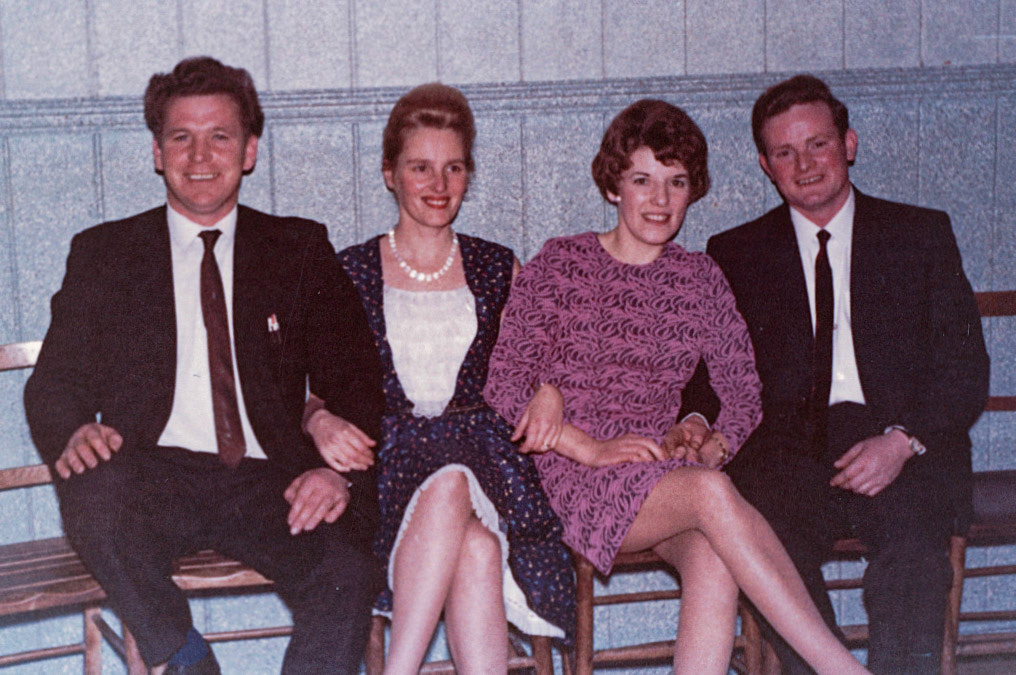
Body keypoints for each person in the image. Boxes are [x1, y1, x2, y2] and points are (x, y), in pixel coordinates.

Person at [23, 56, 385, 675]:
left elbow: (355, 377)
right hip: (152, 473)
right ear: (158, 152)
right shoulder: (106, 254)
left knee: (345, 569)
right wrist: (76, 427)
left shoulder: (297, 249)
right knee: (89, 488)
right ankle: (184, 656)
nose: (199, 156)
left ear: (248, 151)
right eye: (180, 137)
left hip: (270, 479)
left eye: (219, 136)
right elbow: (54, 382)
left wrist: (334, 472)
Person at [483, 98, 869, 674]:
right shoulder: (562, 263)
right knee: (711, 493)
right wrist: (585, 443)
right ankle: (842, 669)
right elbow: (503, 385)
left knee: (714, 552)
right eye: (643, 180)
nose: (660, 200)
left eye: (676, 182)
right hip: (564, 476)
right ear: (614, 187)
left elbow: (743, 391)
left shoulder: (698, 278)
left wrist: (715, 441)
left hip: (655, 473)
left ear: (693, 191)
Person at [680, 74, 990, 673]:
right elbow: (707, 374)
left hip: (901, 442)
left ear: (848, 144)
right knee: (762, 542)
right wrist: (695, 418)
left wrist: (902, 441)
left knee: (915, 552)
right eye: (785, 152)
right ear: (766, 166)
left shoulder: (918, 235)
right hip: (789, 452)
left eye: (818, 143)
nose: (805, 163)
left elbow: (964, 366)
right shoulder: (737, 253)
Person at [303, 82, 573, 674]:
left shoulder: (496, 264)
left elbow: (540, 358)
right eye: (420, 167)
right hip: (389, 470)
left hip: (487, 464)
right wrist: (319, 418)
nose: (438, 184)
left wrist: (550, 388)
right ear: (389, 174)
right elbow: (315, 390)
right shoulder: (348, 271)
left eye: (453, 168)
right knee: (474, 551)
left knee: (453, 481)